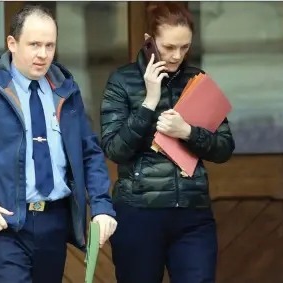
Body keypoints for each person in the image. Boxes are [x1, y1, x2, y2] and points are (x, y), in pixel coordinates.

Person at [0, 5, 117, 283]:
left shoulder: (66, 90)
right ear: (12, 43)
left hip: (55, 222)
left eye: (50, 45)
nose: (43, 54)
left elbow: (90, 153)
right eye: (34, 44)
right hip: (5, 224)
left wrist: (102, 206)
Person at [100, 3, 235, 283]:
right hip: (138, 212)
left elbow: (224, 148)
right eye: (169, 47)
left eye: (184, 48)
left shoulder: (197, 81)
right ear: (149, 41)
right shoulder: (122, 81)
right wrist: (148, 104)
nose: (177, 56)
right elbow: (115, 149)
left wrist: (187, 132)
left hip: (192, 213)